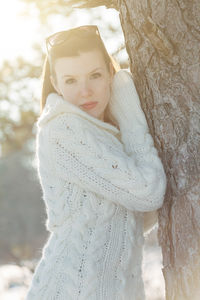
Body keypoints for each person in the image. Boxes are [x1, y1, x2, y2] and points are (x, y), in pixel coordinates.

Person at [26, 25, 167, 300]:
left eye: (94, 75)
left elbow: (138, 216)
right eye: (71, 81)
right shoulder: (63, 129)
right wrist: (130, 115)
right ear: (55, 83)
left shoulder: (100, 132)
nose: (85, 91)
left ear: (109, 74)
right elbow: (149, 195)